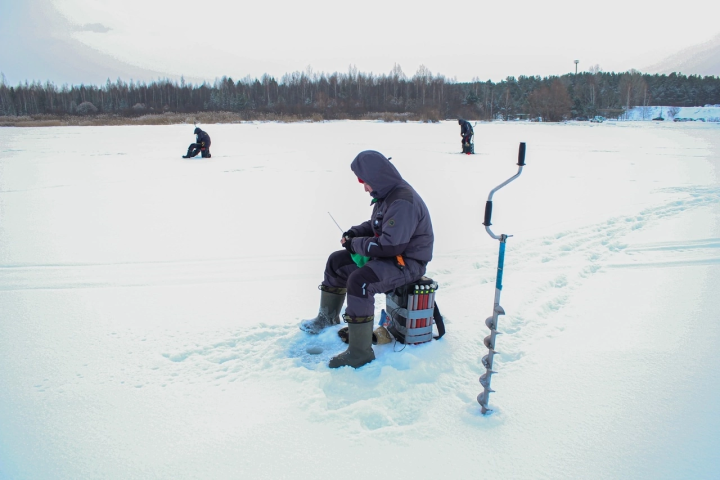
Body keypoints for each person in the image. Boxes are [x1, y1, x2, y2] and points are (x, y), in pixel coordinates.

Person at [300, 150, 434, 369]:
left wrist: (356, 244)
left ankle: (359, 352)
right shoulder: (387, 194)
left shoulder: (403, 201)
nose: (364, 187)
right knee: (337, 263)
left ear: (377, 178)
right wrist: (355, 232)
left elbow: (390, 246)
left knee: (360, 282)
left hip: (407, 263)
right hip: (393, 256)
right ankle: (327, 318)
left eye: (365, 181)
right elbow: (378, 225)